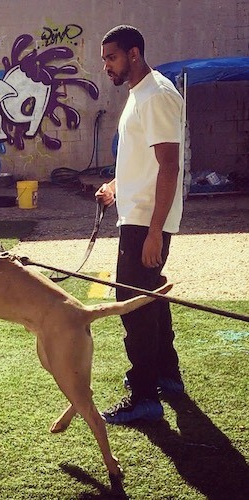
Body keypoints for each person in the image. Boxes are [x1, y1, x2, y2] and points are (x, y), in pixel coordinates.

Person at [96, 25, 185, 425]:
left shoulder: (158, 95)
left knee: (133, 307)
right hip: (135, 215)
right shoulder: (139, 96)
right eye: (104, 60)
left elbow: (169, 165)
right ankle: (167, 376)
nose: (106, 67)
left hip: (146, 222)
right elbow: (143, 161)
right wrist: (116, 186)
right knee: (150, 298)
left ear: (134, 54)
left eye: (111, 58)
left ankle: (145, 397)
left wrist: (154, 231)